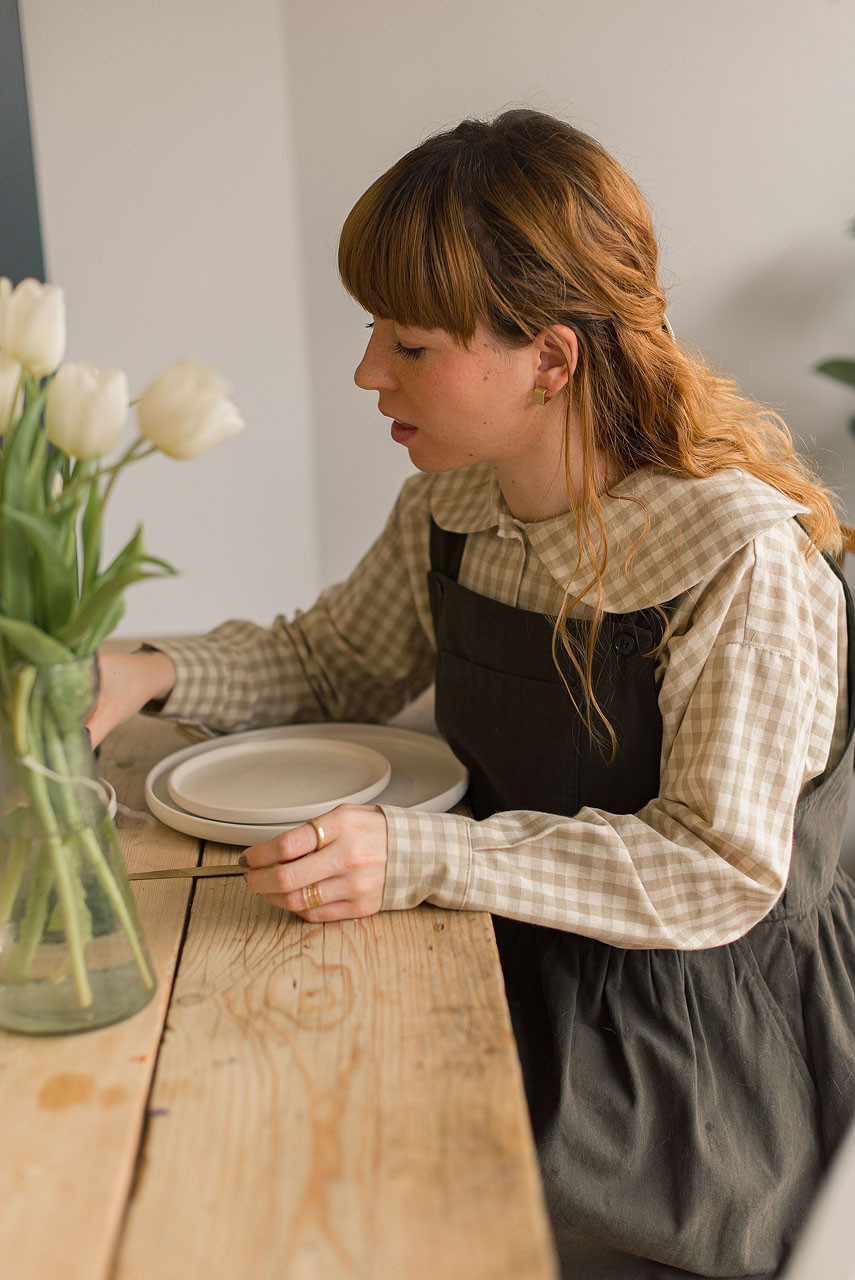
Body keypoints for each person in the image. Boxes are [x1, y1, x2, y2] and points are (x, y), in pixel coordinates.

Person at [88, 110, 855, 1278]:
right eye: (372, 333)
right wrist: (149, 670)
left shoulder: (738, 559)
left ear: (549, 358)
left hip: (680, 1062)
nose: (366, 371)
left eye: (410, 344)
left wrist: (421, 859)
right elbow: (338, 657)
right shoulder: (458, 502)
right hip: (489, 957)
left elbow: (717, 868)